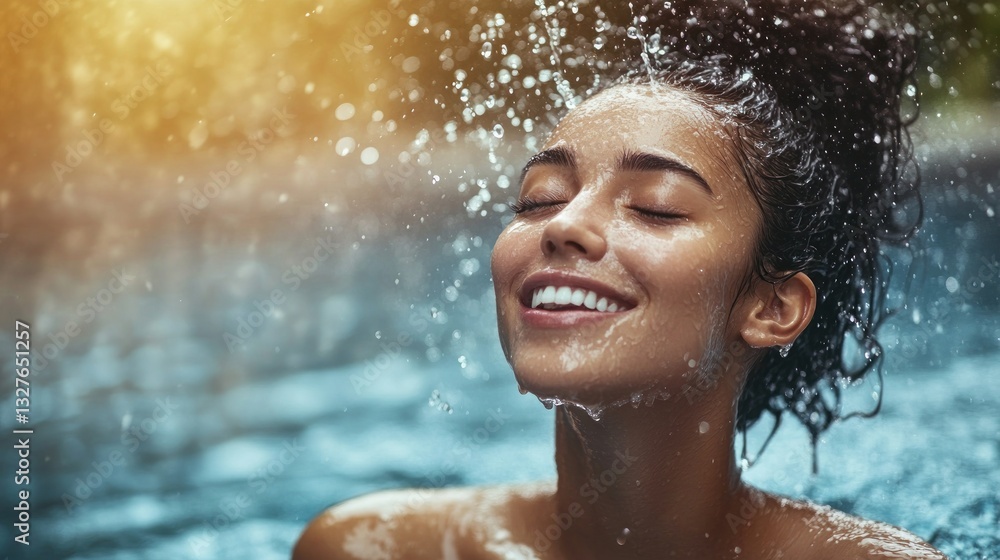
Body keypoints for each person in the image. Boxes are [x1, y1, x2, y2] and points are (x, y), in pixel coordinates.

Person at [294, 0, 949, 558]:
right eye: (538, 198)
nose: (564, 225)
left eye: (655, 207)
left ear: (772, 306)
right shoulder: (373, 548)